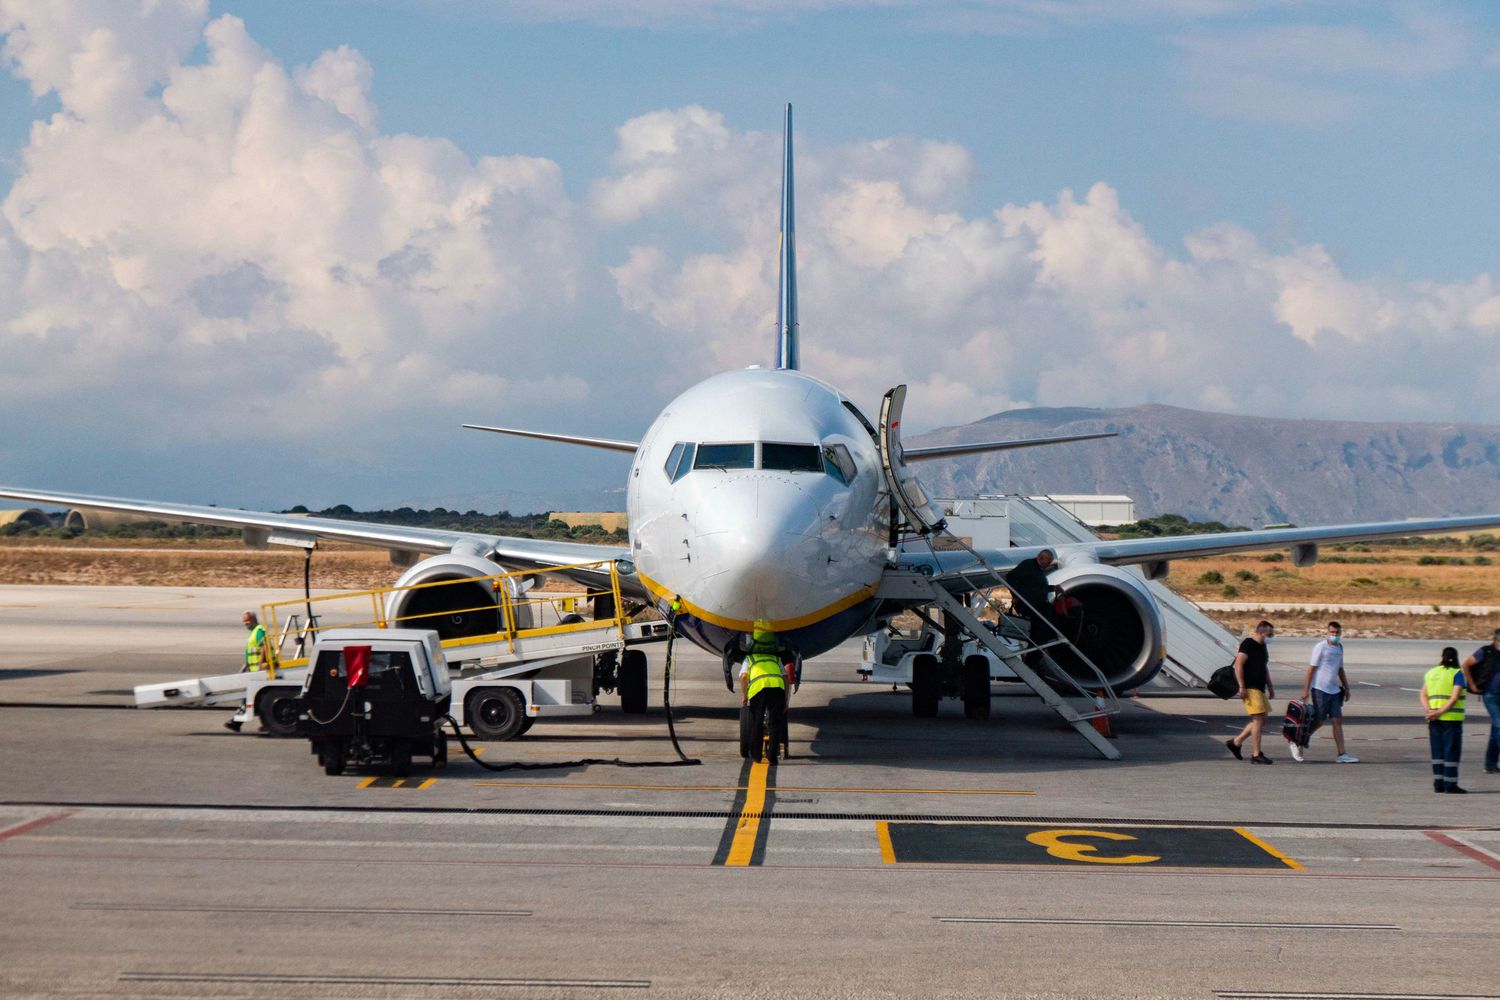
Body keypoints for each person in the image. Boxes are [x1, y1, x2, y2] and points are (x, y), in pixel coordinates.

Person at [1292, 621, 1359, 763]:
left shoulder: (1340, 647)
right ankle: (1299, 739)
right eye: (1332, 632)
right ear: (1327, 632)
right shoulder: (1321, 647)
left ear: (1340, 633)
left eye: (1337, 633)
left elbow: (1340, 669)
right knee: (1319, 720)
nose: (1334, 635)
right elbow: (1311, 669)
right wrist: (1305, 690)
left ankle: (1342, 754)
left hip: (1334, 690)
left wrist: (1346, 687)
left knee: (1337, 720)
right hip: (1320, 689)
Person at [1226, 620, 1276, 764]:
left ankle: (1236, 742)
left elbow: (1264, 667)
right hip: (1250, 687)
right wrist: (1242, 686)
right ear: (1261, 632)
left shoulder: (1263, 646)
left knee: (1261, 719)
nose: (1271, 637)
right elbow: (1238, 665)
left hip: (1260, 688)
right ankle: (1256, 754)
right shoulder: (1248, 644)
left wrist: (1270, 686)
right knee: (1258, 720)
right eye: (1270, 634)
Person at [738, 621, 788, 762]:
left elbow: (744, 677)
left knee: (757, 722)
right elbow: (785, 677)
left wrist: (744, 696)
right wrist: (786, 699)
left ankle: (756, 755)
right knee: (775, 723)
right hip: (777, 688)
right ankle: (773, 757)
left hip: (758, 689)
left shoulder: (750, 659)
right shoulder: (776, 658)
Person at [1422, 647, 1468, 794]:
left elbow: (1423, 694)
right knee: (1451, 752)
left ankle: (1438, 783)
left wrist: (1430, 711)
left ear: (1442, 657)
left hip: (1434, 720)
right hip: (1451, 719)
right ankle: (1450, 784)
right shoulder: (1457, 673)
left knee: (1437, 751)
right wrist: (1440, 712)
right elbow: (1454, 698)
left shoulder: (1431, 673)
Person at [1460, 628, 1500, 775]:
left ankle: (1490, 764)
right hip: (1491, 695)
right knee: (1499, 724)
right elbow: (1466, 664)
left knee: (1496, 729)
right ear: (1496, 640)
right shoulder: (1486, 651)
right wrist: (1472, 684)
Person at [224, 611, 270, 733]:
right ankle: (266, 724)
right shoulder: (253, 632)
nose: (245, 623)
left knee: (249, 697)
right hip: (253, 670)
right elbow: (251, 651)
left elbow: (264, 647)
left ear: (254, 619)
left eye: (247, 620)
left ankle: (236, 722)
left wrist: (260, 664)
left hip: (259, 671)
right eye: (244, 621)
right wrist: (246, 665)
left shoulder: (259, 630)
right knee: (258, 698)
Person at [1005, 548, 1058, 637]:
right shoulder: (1028, 565)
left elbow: (1038, 587)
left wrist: (1053, 588)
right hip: (1029, 605)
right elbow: (1010, 577)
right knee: (1041, 629)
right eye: (1048, 562)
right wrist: (1016, 595)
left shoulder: (1039, 570)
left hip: (1038, 605)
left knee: (1049, 622)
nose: (1049, 565)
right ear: (1041, 558)